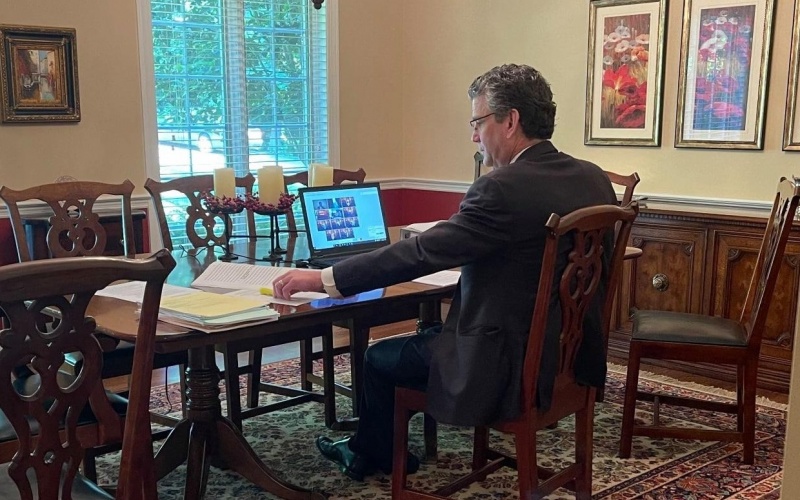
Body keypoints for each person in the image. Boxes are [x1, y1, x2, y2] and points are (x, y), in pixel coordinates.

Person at [272, 63, 617, 481]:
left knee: (379, 357)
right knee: (426, 338)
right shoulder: (592, 178)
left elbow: (422, 254)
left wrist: (325, 279)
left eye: (478, 122)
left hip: (503, 363)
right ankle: (378, 446)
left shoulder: (502, 188)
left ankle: (372, 453)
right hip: (564, 353)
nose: (474, 135)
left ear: (510, 121)